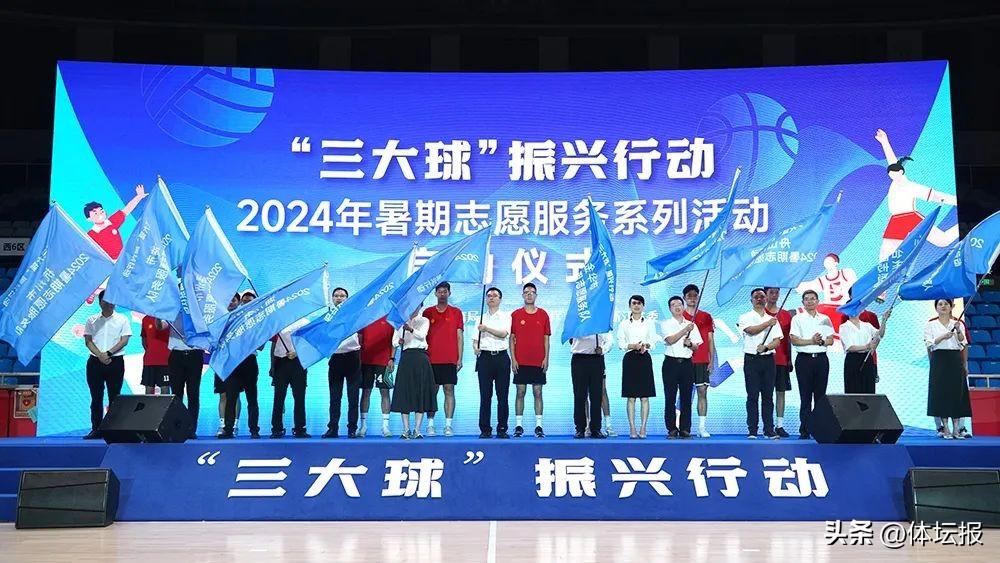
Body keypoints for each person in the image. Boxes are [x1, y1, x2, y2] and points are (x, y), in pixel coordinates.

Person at [874, 129, 958, 262]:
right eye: (890, 174)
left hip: (910, 219)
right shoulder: (895, 183)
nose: (892, 175)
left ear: (901, 172)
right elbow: (892, 163)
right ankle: (887, 272)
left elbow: (937, 196)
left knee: (942, 240)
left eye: (895, 173)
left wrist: (957, 201)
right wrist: (884, 142)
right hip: (896, 221)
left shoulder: (911, 187)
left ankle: (964, 225)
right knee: (884, 257)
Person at [82, 291, 132, 439]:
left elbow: (124, 340)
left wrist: (108, 353)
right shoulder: (91, 320)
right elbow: (88, 341)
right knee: (96, 397)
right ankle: (96, 429)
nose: (108, 303)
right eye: (105, 300)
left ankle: (114, 430)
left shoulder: (123, 319)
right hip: (95, 362)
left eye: (111, 300)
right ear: (100, 302)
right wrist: (100, 355)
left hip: (115, 361)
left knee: (115, 397)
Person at [737, 288, 783, 440]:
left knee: (768, 396)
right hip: (751, 360)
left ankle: (769, 429)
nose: (759, 299)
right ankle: (752, 429)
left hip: (768, 360)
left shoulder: (773, 319)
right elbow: (751, 331)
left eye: (762, 297)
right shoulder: (745, 317)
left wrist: (767, 347)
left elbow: (777, 340)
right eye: (756, 297)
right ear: (751, 300)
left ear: (766, 299)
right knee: (752, 395)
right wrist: (767, 323)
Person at [789, 290, 835, 440]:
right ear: (803, 302)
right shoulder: (797, 318)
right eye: (807, 299)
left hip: (821, 360)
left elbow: (830, 340)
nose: (810, 301)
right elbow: (794, 340)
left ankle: (820, 429)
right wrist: (811, 341)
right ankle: (805, 430)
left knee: (821, 397)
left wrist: (821, 342)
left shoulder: (825, 318)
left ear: (817, 301)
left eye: (813, 299)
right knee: (805, 396)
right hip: (804, 360)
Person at [924, 299, 973, 439]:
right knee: (941, 393)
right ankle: (945, 428)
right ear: (936, 308)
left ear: (951, 307)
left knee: (957, 393)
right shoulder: (930, 324)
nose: (943, 306)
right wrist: (943, 337)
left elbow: (963, 342)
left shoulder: (958, 323)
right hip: (939, 359)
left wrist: (958, 330)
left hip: (955, 359)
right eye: (940, 304)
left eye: (946, 304)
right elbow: (929, 343)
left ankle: (956, 429)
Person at [218, 291, 262, 439]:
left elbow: (261, 346)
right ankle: (228, 429)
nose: (246, 303)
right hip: (234, 362)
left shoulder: (259, 320)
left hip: (249, 361)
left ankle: (254, 430)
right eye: (244, 301)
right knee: (231, 396)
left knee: (252, 397)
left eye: (250, 301)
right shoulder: (232, 318)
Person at [510, 283, 551, 438]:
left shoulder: (543, 314)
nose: (529, 294)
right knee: (520, 392)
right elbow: (511, 338)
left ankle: (539, 426)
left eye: (532, 292)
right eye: (526, 292)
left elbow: (546, 339)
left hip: (538, 361)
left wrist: (546, 358)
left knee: (538, 392)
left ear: (536, 295)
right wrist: (513, 359)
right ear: (522, 295)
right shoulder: (515, 315)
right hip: (520, 361)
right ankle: (518, 426)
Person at [423, 281, 463, 436]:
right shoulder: (427, 312)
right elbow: (422, 335)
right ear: (435, 294)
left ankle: (448, 425)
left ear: (449, 293)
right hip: (431, 358)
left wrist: (459, 358)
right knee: (432, 391)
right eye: (439, 291)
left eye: (445, 291)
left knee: (449, 390)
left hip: (450, 358)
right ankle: (430, 425)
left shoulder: (456, 312)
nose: (442, 294)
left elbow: (459, 336)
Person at [390, 307, 436, 439]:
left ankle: (417, 429)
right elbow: (394, 341)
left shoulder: (424, 320)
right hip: (406, 357)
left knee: (420, 392)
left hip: (420, 357)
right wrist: (398, 341)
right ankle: (406, 429)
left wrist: (410, 329)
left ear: (420, 306)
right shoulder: (400, 322)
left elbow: (422, 336)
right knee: (404, 392)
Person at [616, 295, 658, 439]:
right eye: (634, 303)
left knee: (645, 396)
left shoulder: (649, 323)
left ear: (643, 306)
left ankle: (643, 427)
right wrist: (633, 346)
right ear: (629, 306)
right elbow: (621, 343)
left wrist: (646, 345)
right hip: (630, 358)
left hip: (644, 358)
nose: (636, 305)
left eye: (639, 303)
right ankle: (632, 428)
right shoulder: (623, 324)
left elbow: (653, 342)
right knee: (631, 397)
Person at [323, 287, 363, 439]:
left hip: (353, 357)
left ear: (347, 299)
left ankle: (352, 429)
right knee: (335, 397)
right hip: (336, 359)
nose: (339, 298)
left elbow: (361, 335)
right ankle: (332, 428)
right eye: (336, 296)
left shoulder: (355, 315)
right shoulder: (327, 318)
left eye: (342, 296)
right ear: (332, 298)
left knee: (353, 396)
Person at [661, 295, 702, 439]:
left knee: (686, 397)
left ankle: (685, 429)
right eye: (673, 305)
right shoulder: (666, 324)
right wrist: (685, 330)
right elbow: (670, 340)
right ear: (670, 309)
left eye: (679, 304)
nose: (677, 307)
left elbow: (696, 347)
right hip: (670, 363)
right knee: (670, 397)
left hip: (686, 364)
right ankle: (671, 429)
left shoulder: (691, 325)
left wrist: (690, 344)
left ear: (683, 306)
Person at [474, 287, 513, 439]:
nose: (491, 298)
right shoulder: (480, 318)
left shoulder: (506, 316)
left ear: (500, 299)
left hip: (501, 358)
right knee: (485, 395)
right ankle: (485, 429)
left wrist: (486, 329)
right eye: (489, 295)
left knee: (502, 395)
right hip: (484, 358)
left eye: (495, 295)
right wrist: (475, 348)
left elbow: (503, 334)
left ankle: (502, 428)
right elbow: (475, 340)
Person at [160, 316, 205, 439]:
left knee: (193, 393)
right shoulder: (173, 311)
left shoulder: (198, 310)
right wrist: (157, 316)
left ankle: (191, 429)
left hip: (195, 355)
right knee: (176, 395)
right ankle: (177, 428)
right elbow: (160, 327)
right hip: (176, 356)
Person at [795, 254, 857, 338]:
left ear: (836, 263)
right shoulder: (823, 280)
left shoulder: (846, 273)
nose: (827, 264)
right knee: (803, 312)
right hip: (829, 308)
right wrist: (794, 283)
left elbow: (856, 285)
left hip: (844, 308)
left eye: (829, 261)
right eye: (825, 262)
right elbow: (808, 286)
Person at [83, 184, 149, 261]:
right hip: (110, 263)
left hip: (124, 258)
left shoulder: (111, 222)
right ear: (89, 219)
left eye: (101, 211)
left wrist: (139, 196)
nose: (100, 214)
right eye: (95, 213)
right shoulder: (90, 235)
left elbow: (127, 209)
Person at [682, 284, 715, 438]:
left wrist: (711, 360)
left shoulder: (706, 316)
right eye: (689, 295)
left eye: (695, 295)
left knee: (702, 392)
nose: (692, 298)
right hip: (685, 359)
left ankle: (701, 427)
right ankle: (683, 427)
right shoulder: (680, 316)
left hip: (702, 359)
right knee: (684, 394)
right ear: (684, 298)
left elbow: (710, 339)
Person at [271, 317, 311, 438]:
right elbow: (273, 345)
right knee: (279, 397)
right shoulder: (278, 323)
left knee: (299, 398)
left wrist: (297, 353)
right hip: (281, 363)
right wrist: (272, 366)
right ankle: (277, 429)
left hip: (298, 363)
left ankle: (300, 428)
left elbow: (309, 344)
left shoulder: (305, 322)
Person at [359, 315, 396, 438]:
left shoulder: (390, 318)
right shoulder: (365, 318)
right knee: (366, 392)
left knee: (385, 392)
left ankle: (385, 426)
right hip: (366, 361)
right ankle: (363, 426)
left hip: (384, 361)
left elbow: (394, 341)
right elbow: (359, 339)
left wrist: (392, 358)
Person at [763, 286, 793, 438]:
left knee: (780, 392)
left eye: (776, 292)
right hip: (764, 359)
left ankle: (779, 425)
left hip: (781, 359)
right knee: (765, 394)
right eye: (771, 292)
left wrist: (789, 359)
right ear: (765, 294)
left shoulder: (786, 315)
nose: (774, 295)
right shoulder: (760, 314)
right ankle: (767, 426)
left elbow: (788, 339)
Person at [570, 334, 612, 439]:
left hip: (596, 359)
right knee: (579, 395)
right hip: (579, 359)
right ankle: (580, 429)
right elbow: (570, 340)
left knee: (596, 395)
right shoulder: (575, 324)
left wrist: (602, 349)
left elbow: (610, 341)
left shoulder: (600, 325)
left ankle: (596, 429)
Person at [841, 308, 889, 394]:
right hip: (853, 360)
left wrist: (884, 320)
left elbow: (880, 334)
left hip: (867, 359)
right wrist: (866, 346)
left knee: (868, 388)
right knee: (853, 389)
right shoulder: (844, 327)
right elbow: (849, 347)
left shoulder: (867, 326)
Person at [215, 293, 243, 437]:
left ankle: (234, 426)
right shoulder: (218, 318)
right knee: (223, 394)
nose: (231, 302)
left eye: (234, 300)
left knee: (235, 395)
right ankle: (222, 426)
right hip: (221, 362)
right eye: (229, 300)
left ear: (239, 302)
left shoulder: (243, 319)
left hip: (237, 362)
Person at [139, 314, 171, 396]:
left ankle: (165, 406)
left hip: (166, 361)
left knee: (165, 389)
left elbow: (160, 326)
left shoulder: (169, 318)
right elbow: (144, 340)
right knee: (149, 390)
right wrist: (151, 351)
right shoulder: (145, 319)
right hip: (149, 361)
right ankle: (149, 405)